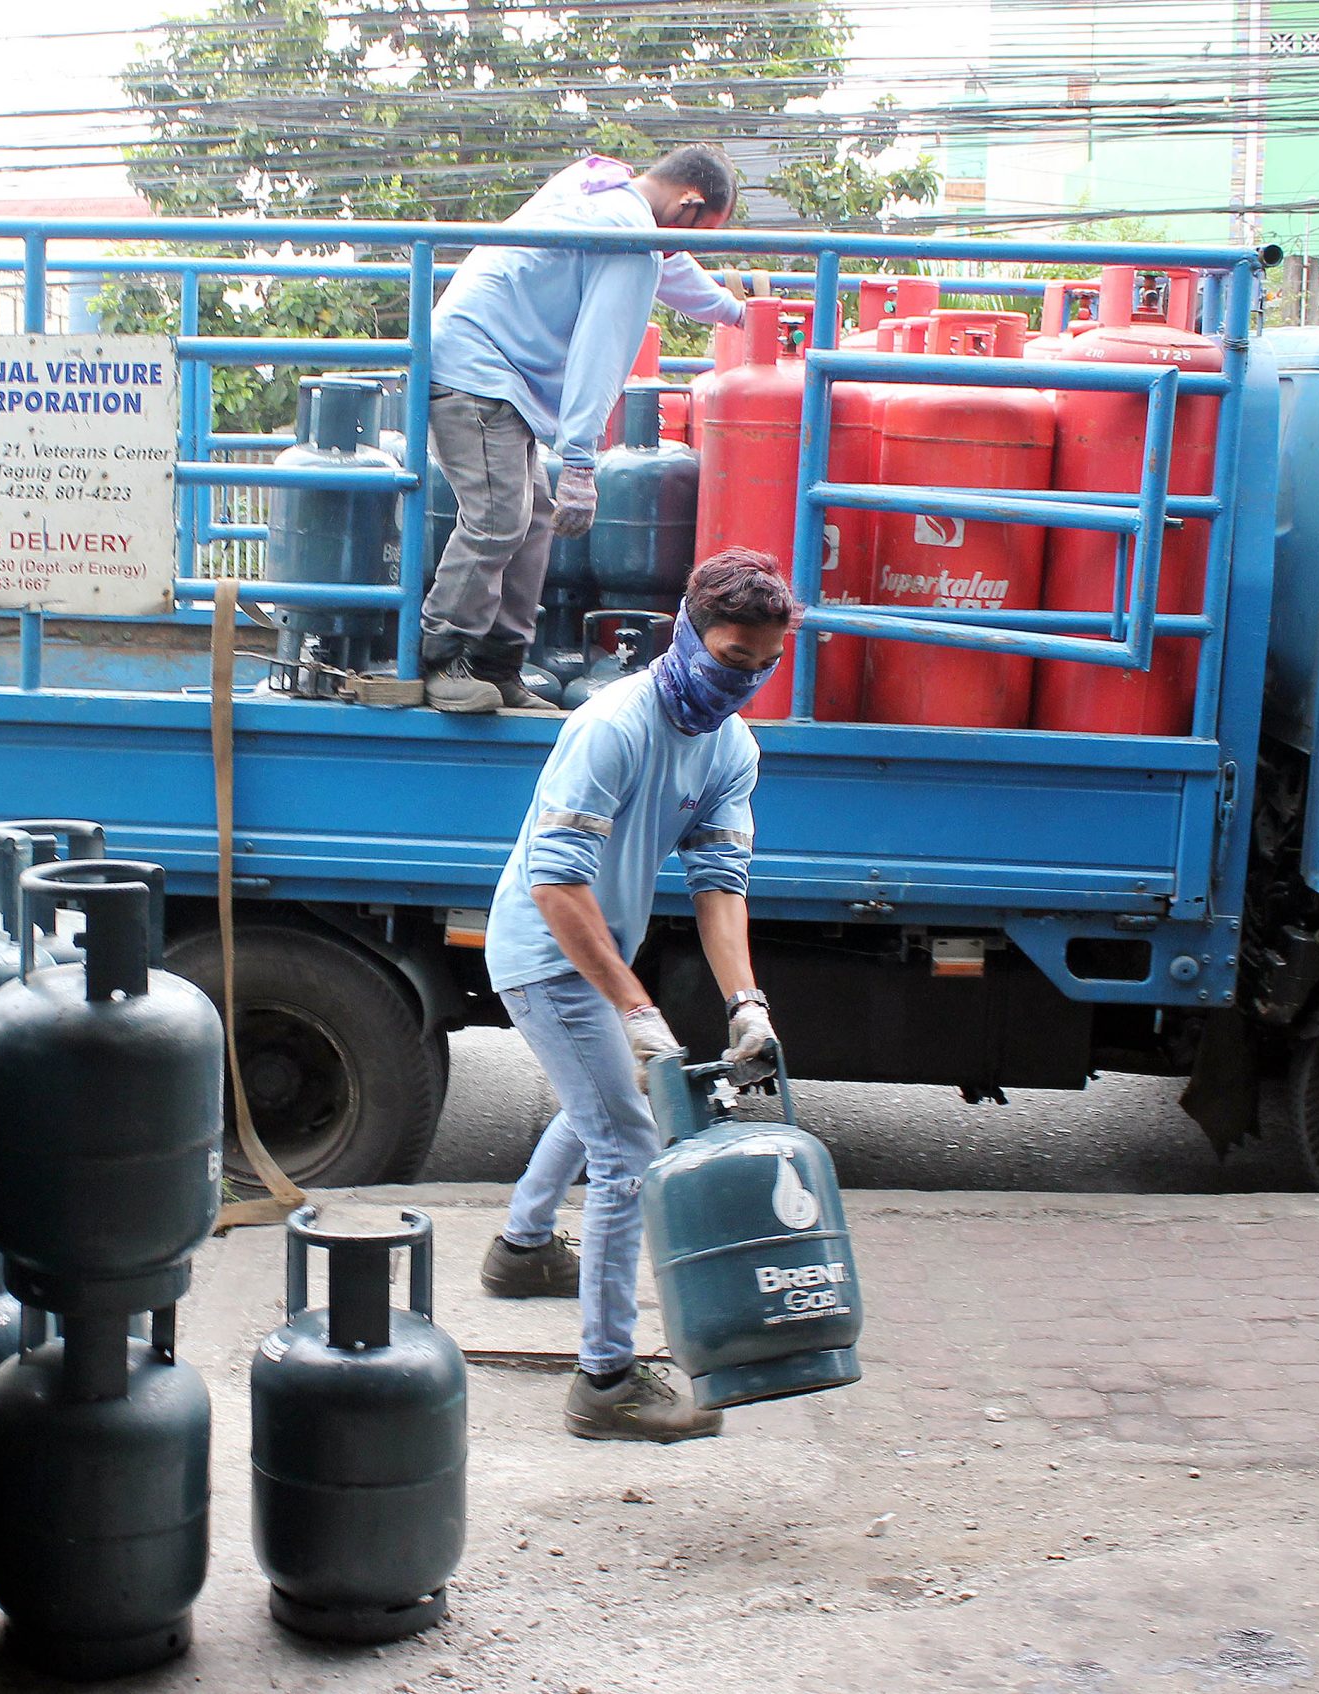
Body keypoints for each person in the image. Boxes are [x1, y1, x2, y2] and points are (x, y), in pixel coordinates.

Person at [478, 549, 791, 1441]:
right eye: (733, 659)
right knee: (629, 1144)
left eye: (764, 668)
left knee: (597, 1101)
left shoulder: (733, 747)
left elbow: (719, 885)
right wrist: (638, 1010)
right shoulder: (613, 726)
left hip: (600, 946)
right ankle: (605, 1380)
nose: (744, 682)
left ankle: (522, 1253)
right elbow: (556, 884)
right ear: (686, 634)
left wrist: (746, 1004)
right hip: (546, 950)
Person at [420, 145, 750, 713]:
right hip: (473, 369)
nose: (684, 246)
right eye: (697, 230)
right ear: (689, 201)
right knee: (498, 518)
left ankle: (498, 665)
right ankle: (442, 657)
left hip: (499, 369)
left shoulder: (604, 190)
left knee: (533, 519)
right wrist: (579, 459)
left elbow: (670, 264)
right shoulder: (627, 237)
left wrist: (739, 313)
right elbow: (600, 352)